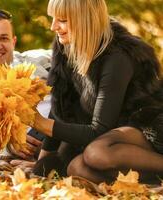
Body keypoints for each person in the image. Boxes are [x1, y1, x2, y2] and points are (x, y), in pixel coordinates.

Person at [31, 0, 163, 184]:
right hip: (112, 136)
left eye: (62, 20)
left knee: (96, 153)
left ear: (84, 20)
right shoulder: (66, 47)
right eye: (53, 18)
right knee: (75, 169)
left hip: (149, 126)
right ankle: (150, 180)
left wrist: (40, 123)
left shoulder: (118, 57)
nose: (54, 27)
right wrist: (40, 163)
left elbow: (99, 130)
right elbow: (61, 105)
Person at [0, 9, 52, 162]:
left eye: (4, 38)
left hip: (62, 133)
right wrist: (6, 144)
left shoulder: (39, 62)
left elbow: (74, 49)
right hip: (27, 150)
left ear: (13, 41)